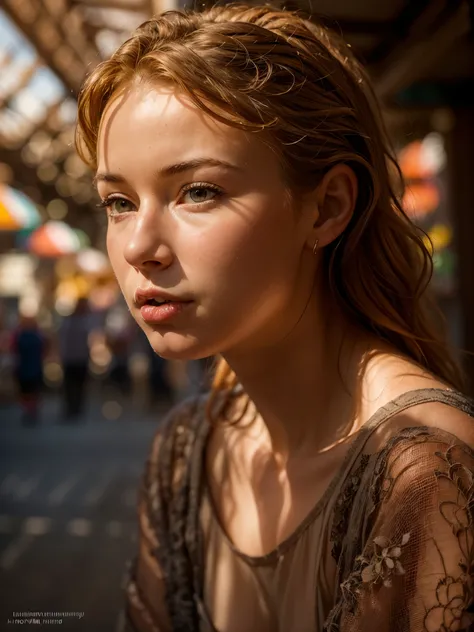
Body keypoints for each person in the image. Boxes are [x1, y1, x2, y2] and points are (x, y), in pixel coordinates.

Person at [76, 5, 474, 630]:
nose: (137, 247)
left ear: (327, 208)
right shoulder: (184, 454)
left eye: (197, 191)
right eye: (119, 202)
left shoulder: (424, 474)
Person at [58, 297, 92, 420]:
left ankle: (77, 408)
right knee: (69, 385)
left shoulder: (85, 321)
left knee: (80, 386)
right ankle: (70, 408)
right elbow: (62, 340)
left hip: (81, 359)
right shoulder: (69, 321)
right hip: (70, 359)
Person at [10, 314, 46, 425]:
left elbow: (13, 350)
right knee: (33, 391)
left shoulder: (20, 336)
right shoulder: (38, 336)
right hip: (33, 368)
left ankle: (28, 410)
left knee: (25, 392)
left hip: (24, 368)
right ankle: (32, 410)